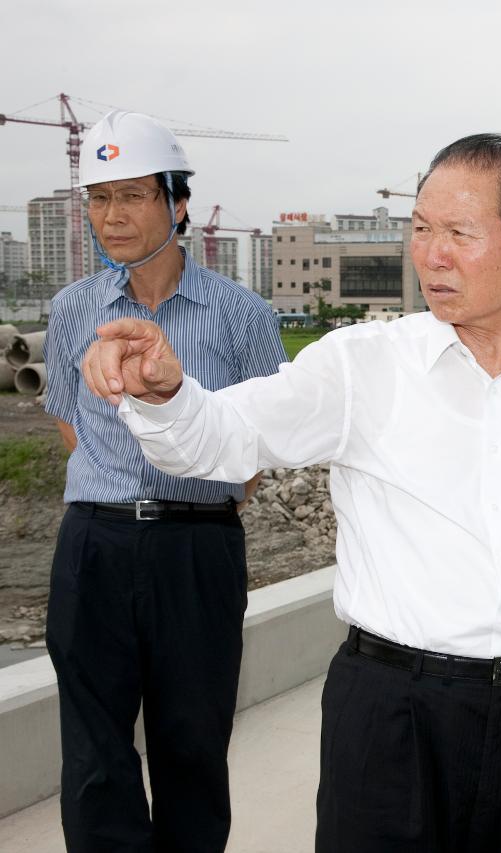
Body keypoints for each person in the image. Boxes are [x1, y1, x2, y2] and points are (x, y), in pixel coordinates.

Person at [82, 133, 501, 853]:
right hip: (390, 715)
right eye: (422, 229)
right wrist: (165, 394)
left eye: (460, 235)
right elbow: (224, 434)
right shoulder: (362, 366)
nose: (432, 255)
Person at [42, 110, 285, 852]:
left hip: (197, 550)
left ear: (179, 202)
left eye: (133, 196)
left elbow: (256, 450)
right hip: (95, 545)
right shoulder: (72, 310)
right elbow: (68, 422)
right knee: (94, 755)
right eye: (98, 199)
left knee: (193, 744)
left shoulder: (244, 316)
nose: (111, 217)